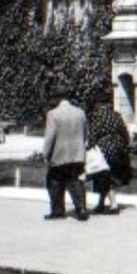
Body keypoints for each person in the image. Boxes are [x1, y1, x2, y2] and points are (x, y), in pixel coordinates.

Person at [42, 86, 89, 221]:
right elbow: (86, 134)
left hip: (59, 154)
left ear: (57, 98)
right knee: (75, 180)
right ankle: (81, 209)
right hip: (77, 154)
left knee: (54, 181)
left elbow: (50, 137)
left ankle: (57, 211)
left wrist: (45, 154)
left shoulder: (53, 114)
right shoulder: (80, 113)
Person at [87, 90, 133, 214]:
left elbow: (93, 135)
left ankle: (113, 204)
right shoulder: (116, 115)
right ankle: (101, 203)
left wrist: (89, 148)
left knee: (103, 176)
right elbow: (124, 132)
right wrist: (125, 146)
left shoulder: (97, 116)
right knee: (110, 175)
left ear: (98, 104)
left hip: (104, 148)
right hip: (118, 147)